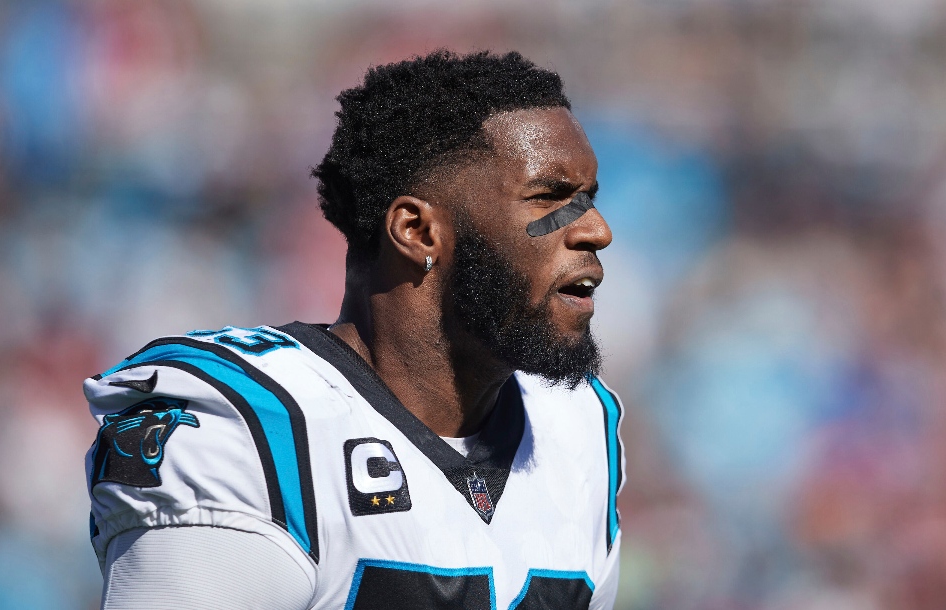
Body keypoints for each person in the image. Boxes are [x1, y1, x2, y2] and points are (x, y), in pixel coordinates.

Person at [86, 49, 625, 609]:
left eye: (588, 199)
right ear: (417, 230)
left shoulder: (578, 427)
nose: (597, 230)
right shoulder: (249, 434)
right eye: (549, 196)